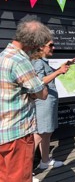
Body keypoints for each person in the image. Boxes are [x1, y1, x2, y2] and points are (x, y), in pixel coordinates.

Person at [0, 20, 50, 182]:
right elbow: (42, 93)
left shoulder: (3, 56)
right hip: (18, 132)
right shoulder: (21, 61)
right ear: (33, 43)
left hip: (3, 131)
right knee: (19, 178)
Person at [31, 40, 75, 169]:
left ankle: (45, 161)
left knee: (47, 133)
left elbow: (50, 75)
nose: (53, 47)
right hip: (43, 102)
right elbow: (40, 81)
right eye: (50, 45)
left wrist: (66, 65)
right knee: (39, 134)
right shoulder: (38, 62)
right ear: (41, 46)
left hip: (49, 102)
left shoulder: (43, 61)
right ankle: (25, 172)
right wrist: (58, 72)